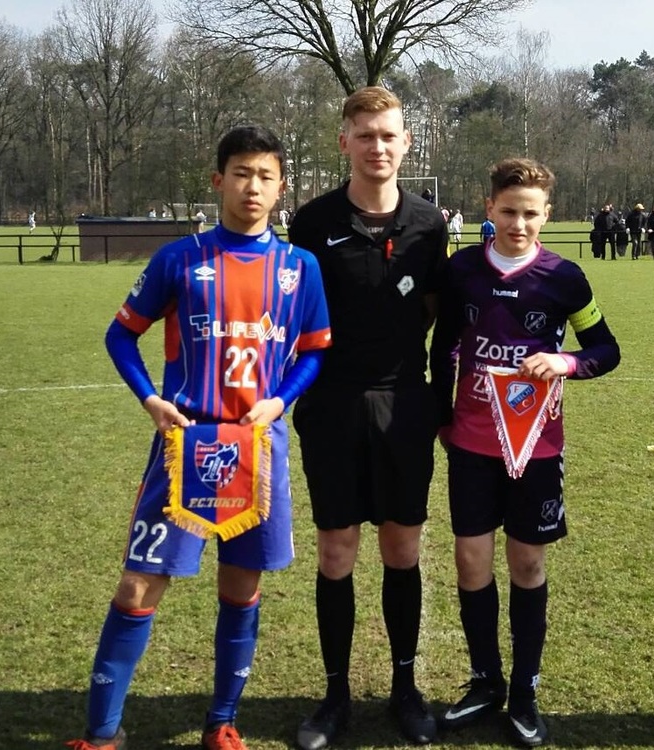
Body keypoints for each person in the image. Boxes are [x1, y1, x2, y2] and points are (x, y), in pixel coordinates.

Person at [66, 125, 332, 750]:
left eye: (265, 176)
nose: (252, 187)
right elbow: (120, 333)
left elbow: (316, 351)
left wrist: (280, 400)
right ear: (219, 181)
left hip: (256, 448)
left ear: (281, 187)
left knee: (242, 588)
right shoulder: (179, 258)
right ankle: (101, 735)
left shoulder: (300, 268)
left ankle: (222, 723)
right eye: (241, 173)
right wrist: (150, 398)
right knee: (138, 585)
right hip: (185, 445)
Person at [430, 157, 620, 747]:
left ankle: (525, 691)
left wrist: (564, 362)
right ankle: (485, 681)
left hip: (536, 447)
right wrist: (442, 417)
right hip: (470, 442)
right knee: (471, 561)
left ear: (547, 215)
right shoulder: (461, 270)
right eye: (508, 212)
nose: (518, 224)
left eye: (530, 214)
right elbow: (442, 348)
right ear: (489, 209)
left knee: (528, 565)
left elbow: (606, 349)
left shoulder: (565, 278)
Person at [287, 85, 448, 750]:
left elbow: (437, 313)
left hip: (404, 403)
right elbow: (293, 316)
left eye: (389, 135)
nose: (378, 146)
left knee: (402, 549)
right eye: (365, 135)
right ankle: (335, 696)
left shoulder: (429, 226)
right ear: (344, 141)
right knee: (336, 551)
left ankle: (405, 689)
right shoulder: (311, 222)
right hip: (331, 405)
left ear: (406, 143)